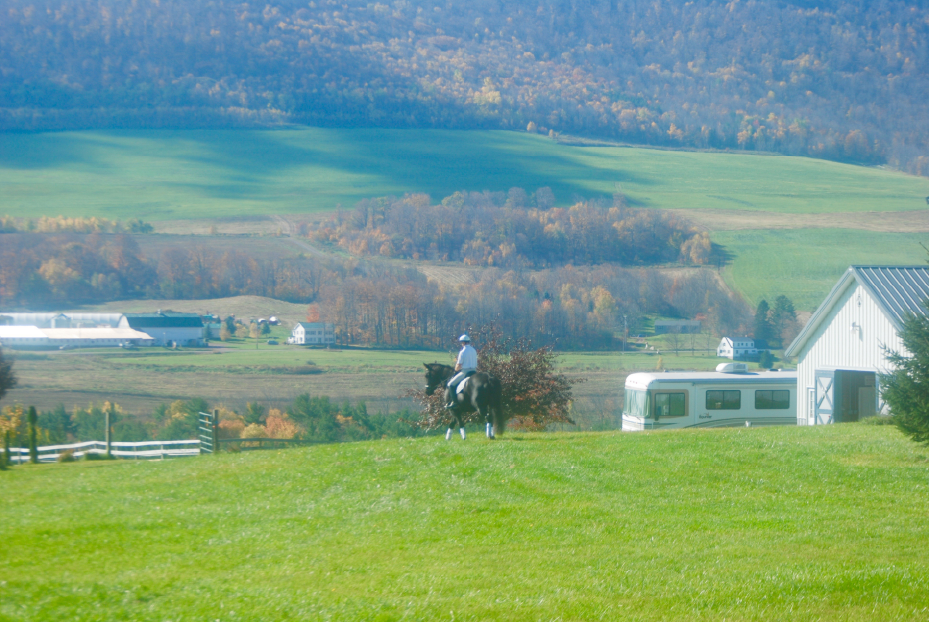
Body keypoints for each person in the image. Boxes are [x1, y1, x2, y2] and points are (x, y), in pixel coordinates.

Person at [445, 334, 477, 409]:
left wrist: (456, 369)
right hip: (474, 371)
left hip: (465, 372)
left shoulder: (462, 351)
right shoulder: (473, 350)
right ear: (468, 342)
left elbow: (459, 364)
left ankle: (454, 402)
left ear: (463, 342)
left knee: (450, 384)